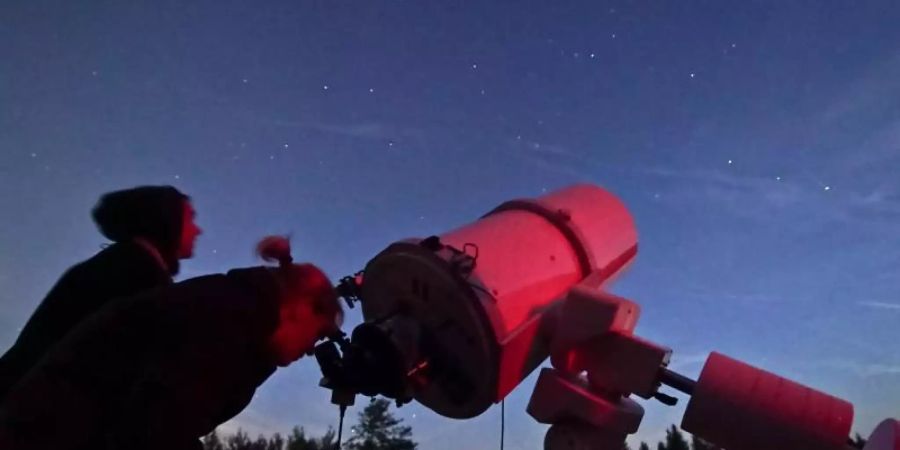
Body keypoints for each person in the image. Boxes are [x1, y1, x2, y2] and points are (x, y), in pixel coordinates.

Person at [0, 236, 342, 450]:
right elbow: (157, 429)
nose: (311, 348)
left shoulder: (240, 316)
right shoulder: (229, 320)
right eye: (317, 333)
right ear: (299, 307)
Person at [0, 185, 202, 401]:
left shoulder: (120, 265)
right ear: (167, 222)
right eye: (190, 219)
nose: (197, 230)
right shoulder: (134, 274)